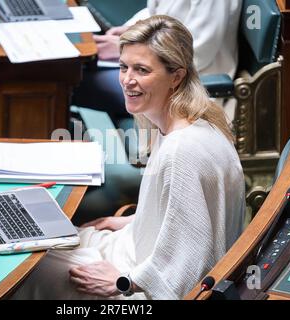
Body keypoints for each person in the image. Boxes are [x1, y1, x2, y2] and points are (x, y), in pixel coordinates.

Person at [13, 15, 245, 300]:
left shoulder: (182, 151)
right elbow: (186, 221)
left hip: (141, 287)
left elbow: (189, 268)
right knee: (32, 241)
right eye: (124, 67)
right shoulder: (193, 121)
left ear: (177, 76)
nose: (127, 80)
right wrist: (134, 221)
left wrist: (124, 283)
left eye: (142, 70)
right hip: (132, 250)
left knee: (24, 269)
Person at [72, 0, 243, 121]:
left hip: (191, 79)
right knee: (74, 69)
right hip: (154, 64)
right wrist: (130, 31)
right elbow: (156, 13)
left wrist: (125, 49)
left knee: (72, 81)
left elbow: (199, 50)